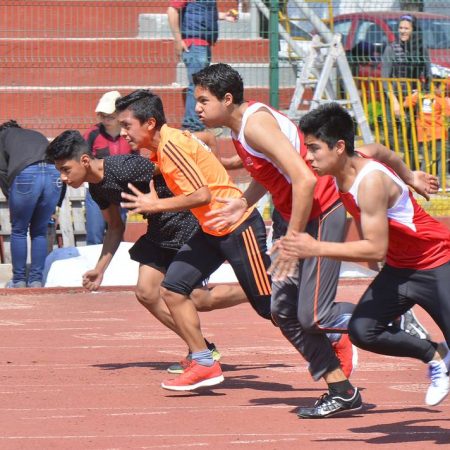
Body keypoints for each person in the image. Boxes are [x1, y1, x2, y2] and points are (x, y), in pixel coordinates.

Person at [191, 62, 432, 418]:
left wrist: (293, 237)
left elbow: (304, 179)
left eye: (203, 100)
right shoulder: (241, 128)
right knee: (283, 312)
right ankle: (342, 391)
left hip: (320, 212)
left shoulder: (256, 125)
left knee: (315, 315)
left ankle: (394, 318)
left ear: (227, 99)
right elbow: (274, 175)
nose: (196, 108)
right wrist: (243, 201)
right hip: (295, 216)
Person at [279, 102, 450, 412]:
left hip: (436, 262)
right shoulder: (357, 158)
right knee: (363, 330)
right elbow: (384, 151)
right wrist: (410, 175)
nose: (308, 156)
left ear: (340, 147)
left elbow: (374, 249)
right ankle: (436, 354)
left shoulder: (368, 182)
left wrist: (315, 247)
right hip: (401, 269)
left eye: (315, 148)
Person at [46, 130, 252, 370]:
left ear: (83, 161)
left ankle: (261, 291)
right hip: (158, 231)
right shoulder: (97, 189)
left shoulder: (124, 166)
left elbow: (168, 164)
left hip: (184, 222)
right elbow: (115, 227)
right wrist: (99, 269)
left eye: (65, 169)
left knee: (198, 299)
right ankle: (201, 350)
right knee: (146, 292)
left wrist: (198, 146)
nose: (62, 177)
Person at [115, 89, 272, 391]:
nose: (123, 134)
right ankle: (203, 362)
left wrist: (155, 204)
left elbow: (202, 194)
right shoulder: (165, 146)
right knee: (173, 289)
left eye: (127, 125)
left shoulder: (172, 146)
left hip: (237, 226)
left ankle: (334, 329)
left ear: (149, 123)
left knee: (271, 306)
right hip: (211, 228)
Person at [0, 120, 62, 288]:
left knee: (19, 230)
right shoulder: (36, 134)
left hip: (26, 174)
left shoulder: (3, 137)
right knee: (39, 231)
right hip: (53, 173)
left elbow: (2, 170)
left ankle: (19, 280)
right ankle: (36, 280)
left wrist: (9, 195)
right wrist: (59, 203)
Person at [167, 0, 238, 132]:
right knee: (197, 85)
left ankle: (196, 124)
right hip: (194, 44)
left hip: (203, 44)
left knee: (201, 84)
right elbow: (172, 11)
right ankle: (193, 126)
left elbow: (202, 13)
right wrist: (178, 40)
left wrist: (223, 16)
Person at [83, 90, 137, 245]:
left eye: (110, 116)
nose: (106, 120)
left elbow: (135, 160)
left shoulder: (130, 134)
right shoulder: (92, 134)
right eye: (103, 116)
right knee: (94, 235)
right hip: (97, 191)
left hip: (121, 191)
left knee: (117, 233)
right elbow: (81, 159)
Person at [381, 14, 431, 160]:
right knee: (392, 137)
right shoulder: (391, 49)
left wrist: (419, 94)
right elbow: (385, 78)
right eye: (400, 28)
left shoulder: (421, 50)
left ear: (414, 30)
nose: (402, 31)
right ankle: (387, 169)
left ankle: (411, 172)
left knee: (412, 137)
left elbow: (428, 76)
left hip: (413, 99)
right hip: (393, 98)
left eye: (406, 28)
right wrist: (395, 102)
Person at [403, 79, 450, 177]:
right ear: (435, 87)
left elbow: (406, 104)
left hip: (423, 133)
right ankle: (441, 182)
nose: (445, 89)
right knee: (441, 158)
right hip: (438, 133)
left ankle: (424, 179)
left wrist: (413, 95)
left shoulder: (420, 96)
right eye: (443, 87)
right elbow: (448, 113)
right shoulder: (441, 99)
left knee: (426, 159)